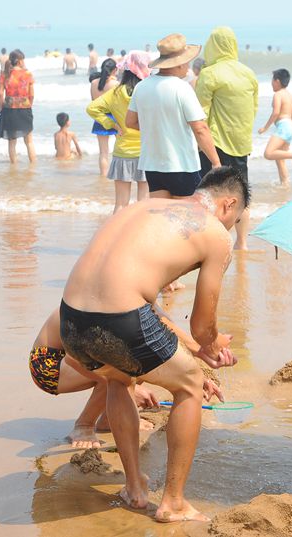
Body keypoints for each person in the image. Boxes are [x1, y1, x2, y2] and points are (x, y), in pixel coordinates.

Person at [59, 167, 248, 522]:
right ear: (229, 204)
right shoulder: (213, 232)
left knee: (119, 377)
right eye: (234, 221)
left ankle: (134, 488)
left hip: (69, 321)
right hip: (119, 317)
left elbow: (136, 290)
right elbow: (202, 324)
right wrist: (212, 344)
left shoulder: (144, 206)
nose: (230, 230)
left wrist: (200, 343)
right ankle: (173, 502)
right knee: (190, 383)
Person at [30, 300, 224, 448]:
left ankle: (108, 420)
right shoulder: (110, 303)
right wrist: (127, 385)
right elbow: (75, 359)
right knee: (121, 369)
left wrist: (196, 375)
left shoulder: (143, 302)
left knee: (131, 363)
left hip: (74, 357)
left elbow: (165, 340)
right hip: (49, 364)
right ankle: (83, 426)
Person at [124, 33, 220, 200]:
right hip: (181, 165)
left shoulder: (142, 86)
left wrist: (158, 127)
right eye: (187, 61)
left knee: (162, 217)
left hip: (152, 166)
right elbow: (200, 128)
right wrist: (216, 163)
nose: (188, 66)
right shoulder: (181, 88)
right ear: (179, 63)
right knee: (188, 217)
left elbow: (130, 122)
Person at [194, 26, 259, 250]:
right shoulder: (248, 74)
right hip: (241, 143)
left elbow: (199, 113)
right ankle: (242, 244)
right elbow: (254, 109)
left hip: (215, 145)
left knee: (210, 195)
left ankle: (211, 243)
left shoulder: (209, 73)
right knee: (242, 195)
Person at [86, 51, 151, 213]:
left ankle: (116, 237)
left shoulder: (115, 93)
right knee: (143, 203)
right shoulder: (147, 92)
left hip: (123, 153)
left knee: (121, 204)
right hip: (146, 152)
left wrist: (112, 124)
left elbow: (92, 108)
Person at [258, 68, 292, 185]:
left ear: (277, 81)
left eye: (272, 80)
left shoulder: (278, 94)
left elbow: (276, 112)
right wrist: (290, 127)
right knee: (280, 159)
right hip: (290, 127)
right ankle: (285, 184)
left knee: (268, 153)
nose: (271, 83)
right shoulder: (289, 95)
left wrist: (265, 128)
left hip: (284, 127)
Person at [0, 49, 36, 164]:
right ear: (19, 61)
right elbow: (32, 94)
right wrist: (28, 105)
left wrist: (1, 108)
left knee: (12, 141)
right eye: (23, 59)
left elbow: (0, 94)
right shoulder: (27, 74)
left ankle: (13, 167)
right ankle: (33, 166)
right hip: (25, 109)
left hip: (9, 109)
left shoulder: (5, 74)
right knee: (29, 141)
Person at [88, 57, 119, 176]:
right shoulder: (115, 84)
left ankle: (103, 177)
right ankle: (117, 174)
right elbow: (118, 104)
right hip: (115, 118)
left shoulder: (93, 83)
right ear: (114, 70)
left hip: (99, 117)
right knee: (120, 150)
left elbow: (93, 102)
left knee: (103, 152)